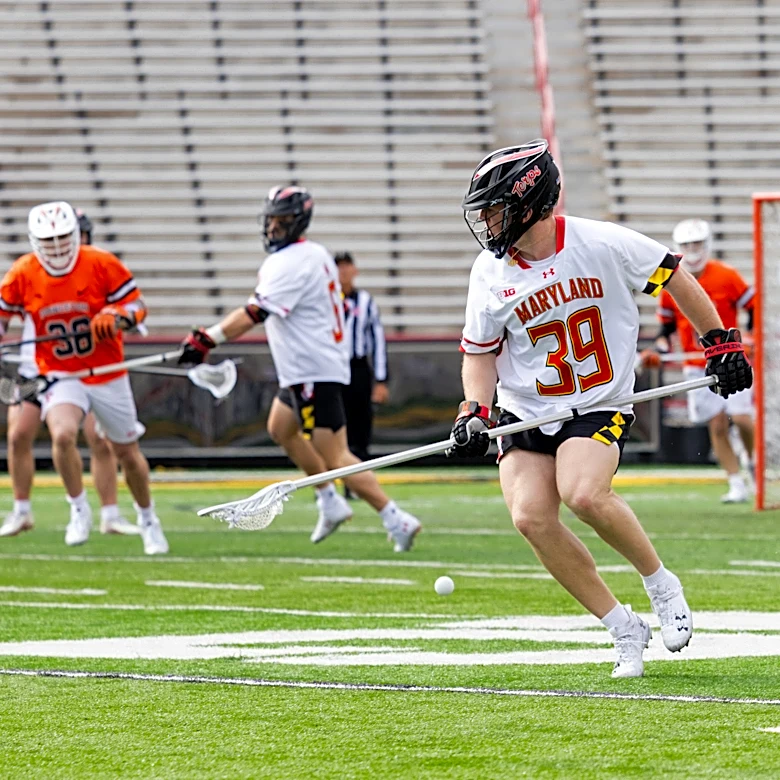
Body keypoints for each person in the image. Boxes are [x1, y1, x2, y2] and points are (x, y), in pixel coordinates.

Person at [447, 140, 751, 678]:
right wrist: (474, 408)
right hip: (526, 407)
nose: (488, 222)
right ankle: (621, 627)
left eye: (496, 208)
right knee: (530, 518)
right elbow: (480, 352)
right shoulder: (488, 272)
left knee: (583, 492)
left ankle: (660, 583)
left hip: (597, 399)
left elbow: (674, 274)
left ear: (529, 201)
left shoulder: (601, 242)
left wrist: (719, 342)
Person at [178, 185, 421, 552]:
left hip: (313, 370)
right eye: (271, 220)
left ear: (298, 221)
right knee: (280, 427)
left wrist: (205, 339)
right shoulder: (314, 254)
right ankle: (329, 500)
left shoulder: (289, 262)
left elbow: (252, 315)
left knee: (335, 453)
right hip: (309, 366)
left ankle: (395, 517)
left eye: (282, 221)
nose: (274, 228)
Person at [0, 201, 168, 554]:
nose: (58, 247)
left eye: (64, 237)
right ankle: (79, 509)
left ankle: (147, 517)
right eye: (50, 240)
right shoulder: (23, 272)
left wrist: (116, 316)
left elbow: (137, 307)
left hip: (106, 371)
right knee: (62, 434)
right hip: (60, 372)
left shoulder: (101, 263)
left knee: (126, 451)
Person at [640, 219, 755, 503]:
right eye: (687, 245)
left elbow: (752, 307)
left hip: (732, 357)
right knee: (716, 424)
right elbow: (666, 331)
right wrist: (659, 350)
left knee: (741, 418)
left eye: (697, 244)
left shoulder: (726, 275)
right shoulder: (671, 281)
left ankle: (751, 461)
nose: (693, 250)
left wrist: (750, 336)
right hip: (697, 363)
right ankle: (734, 481)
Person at [334, 252, 388, 498]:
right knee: (332, 427)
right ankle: (329, 484)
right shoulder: (325, 300)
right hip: (331, 369)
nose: (343, 272)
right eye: (339, 268)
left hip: (357, 369)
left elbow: (377, 341)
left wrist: (380, 379)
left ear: (354, 271)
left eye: (347, 267)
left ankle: (357, 485)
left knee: (360, 428)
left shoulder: (365, 301)